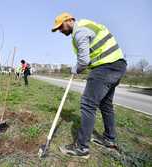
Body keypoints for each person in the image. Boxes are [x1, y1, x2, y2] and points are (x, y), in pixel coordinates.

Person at [52, 12, 127, 159]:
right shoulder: (86, 24)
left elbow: (84, 60)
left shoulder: (79, 32)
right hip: (118, 64)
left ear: (69, 20)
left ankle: (82, 148)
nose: (60, 31)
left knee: (88, 104)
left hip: (105, 67)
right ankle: (109, 139)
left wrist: (76, 69)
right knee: (105, 104)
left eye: (61, 27)